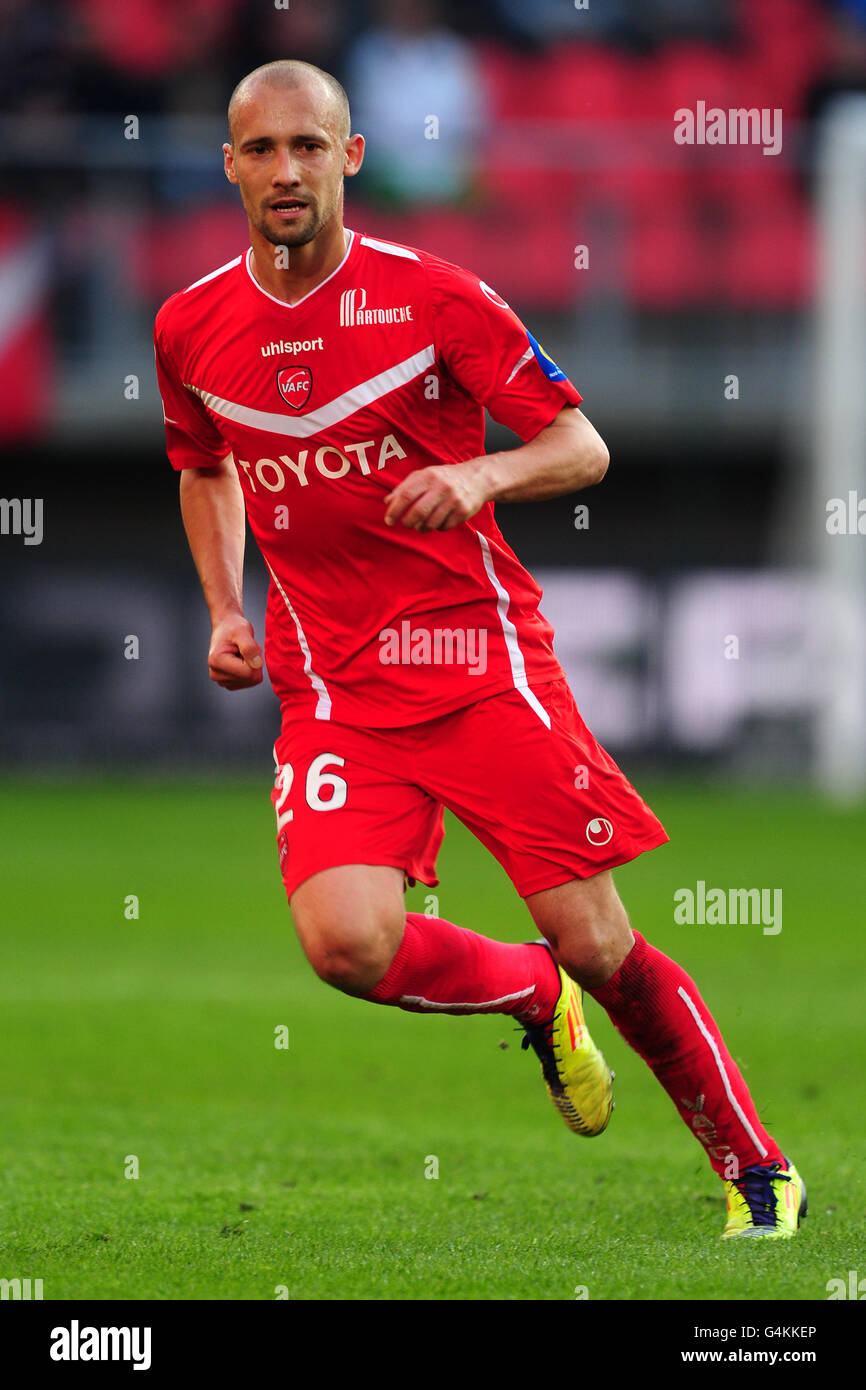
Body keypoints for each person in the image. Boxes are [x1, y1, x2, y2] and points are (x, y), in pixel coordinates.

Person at [154, 59, 805, 1239]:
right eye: (262, 150)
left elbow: (580, 445)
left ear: (351, 157)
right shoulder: (190, 323)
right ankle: (526, 991)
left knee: (598, 940)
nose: (286, 170)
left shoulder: (434, 297)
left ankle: (752, 1163)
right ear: (231, 167)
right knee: (346, 944)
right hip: (335, 685)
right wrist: (222, 605)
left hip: (476, 664)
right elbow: (204, 464)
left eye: (309, 146)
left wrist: (480, 470)